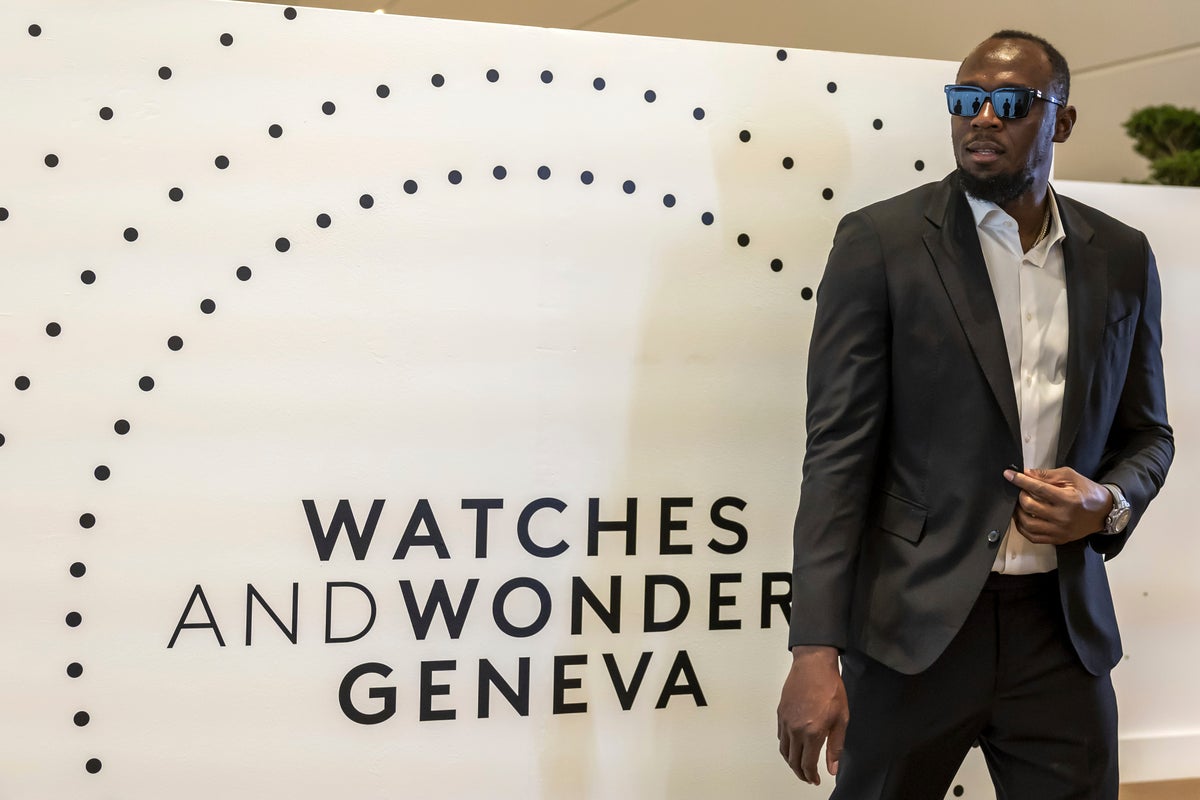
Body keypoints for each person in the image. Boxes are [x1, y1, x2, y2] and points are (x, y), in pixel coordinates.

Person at [776, 30, 1173, 799]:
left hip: (1061, 633)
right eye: (966, 100)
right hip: (912, 632)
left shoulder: (1121, 255)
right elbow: (836, 459)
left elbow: (1148, 434)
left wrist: (1108, 503)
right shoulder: (883, 242)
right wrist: (813, 649)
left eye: (1011, 103)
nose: (982, 118)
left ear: (1061, 121)